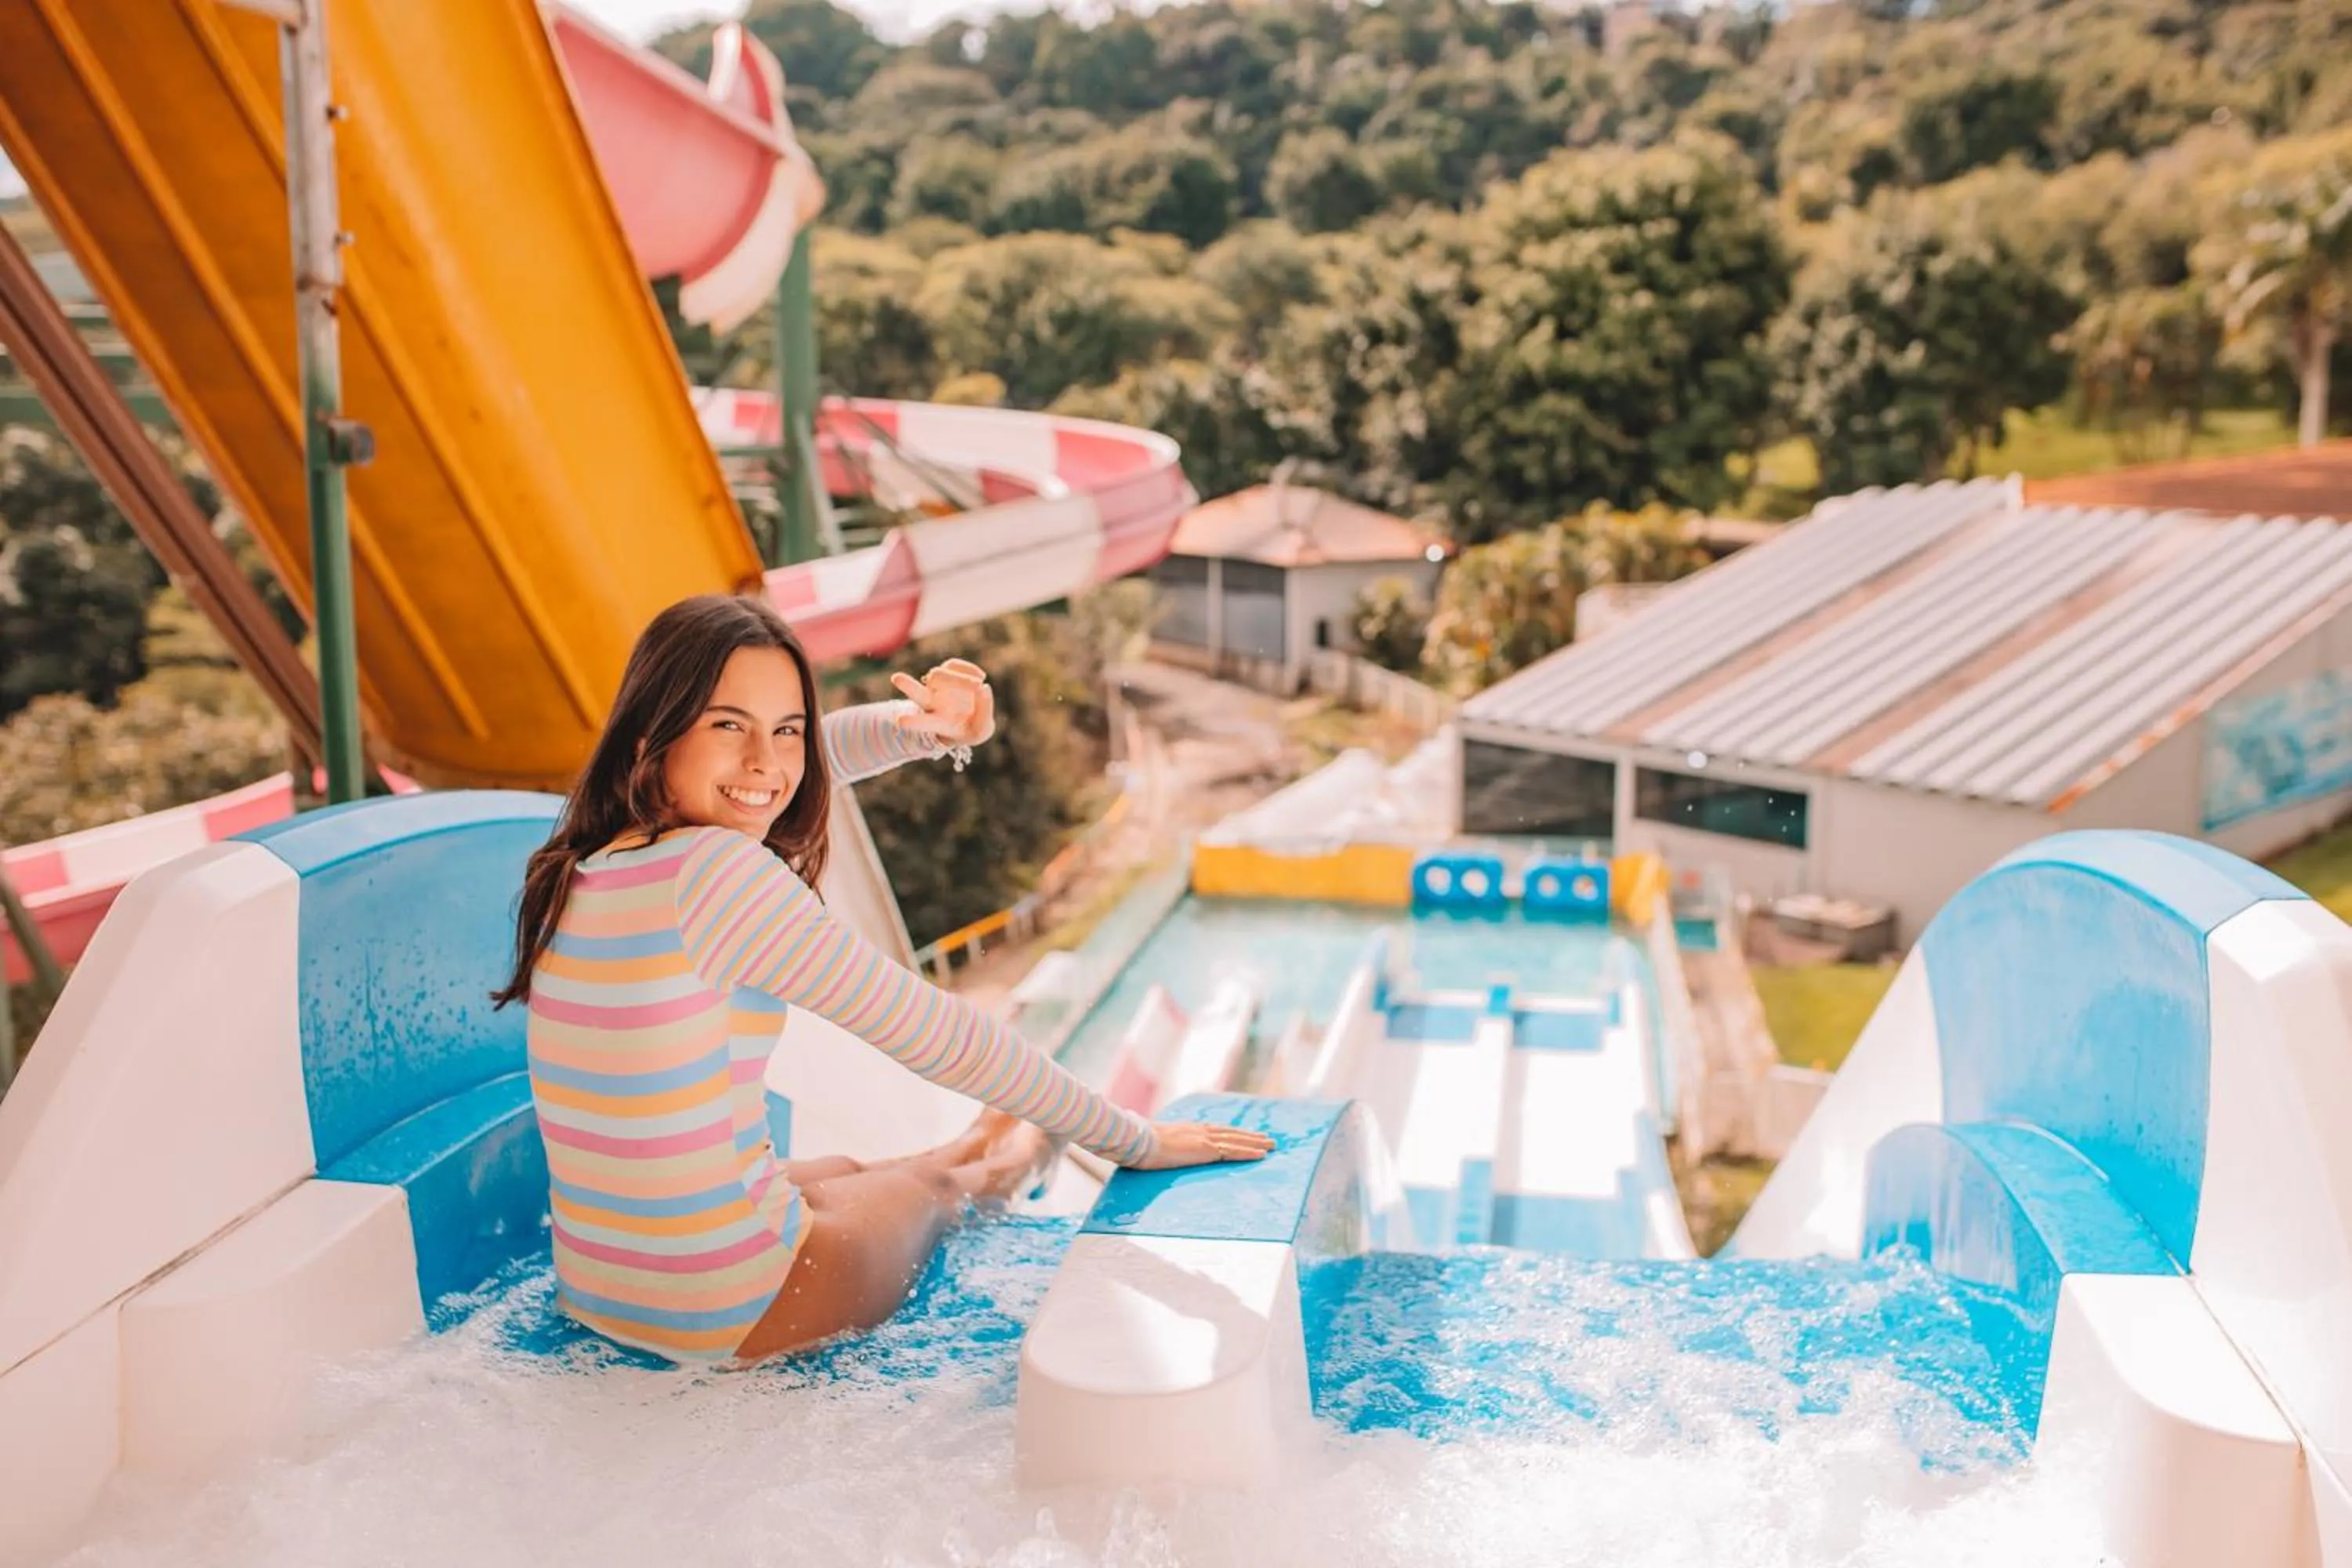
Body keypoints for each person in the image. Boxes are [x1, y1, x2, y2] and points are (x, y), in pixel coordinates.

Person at [493, 593, 1272, 1367]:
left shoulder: (580, 863)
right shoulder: (719, 870)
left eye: (787, 728)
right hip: (733, 1309)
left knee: (841, 1173)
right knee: (945, 1179)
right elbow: (941, 1035)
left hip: (596, 1289)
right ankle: (1014, 1147)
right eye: (729, 723)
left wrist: (913, 730)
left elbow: (780, 770)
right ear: (652, 733)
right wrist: (1135, 1137)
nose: (767, 761)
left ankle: (985, 1134)